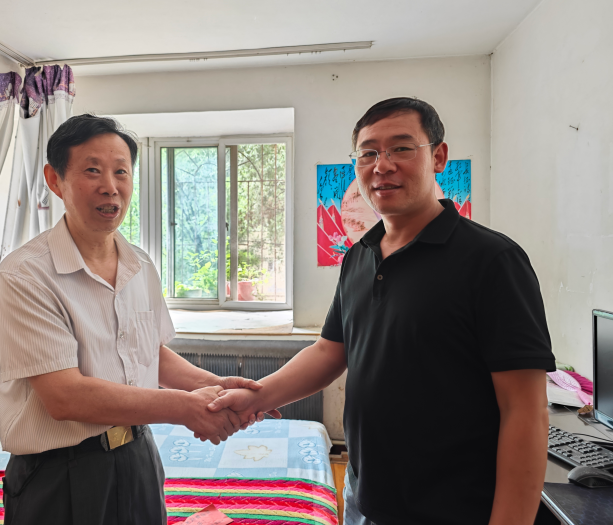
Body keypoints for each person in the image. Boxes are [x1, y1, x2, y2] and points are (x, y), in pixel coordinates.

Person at [206, 98, 556, 525]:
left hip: (453, 509)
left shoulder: (491, 260)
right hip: (363, 497)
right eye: (368, 153)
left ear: (438, 157)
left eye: (401, 148)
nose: (382, 165)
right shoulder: (360, 256)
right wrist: (257, 397)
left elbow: (525, 410)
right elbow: (329, 352)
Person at [0, 114, 266, 524]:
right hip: (60, 472)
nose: (110, 186)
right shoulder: (25, 276)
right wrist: (185, 408)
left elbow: (149, 352)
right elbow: (64, 397)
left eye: (121, 171)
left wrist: (215, 387)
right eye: (92, 171)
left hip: (137, 456)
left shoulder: (140, 265)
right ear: (54, 180)